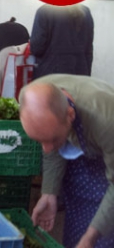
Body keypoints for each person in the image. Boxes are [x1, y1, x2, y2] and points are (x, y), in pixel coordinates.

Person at [19, 74, 114, 248]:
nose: (46, 149)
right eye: (41, 142)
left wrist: (90, 237)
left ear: (70, 115)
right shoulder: (33, 97)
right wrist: (49, 192)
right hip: (83, 142)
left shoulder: (106, 121)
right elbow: (50, 138)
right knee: (77, 227)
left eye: (53, 140)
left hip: (108, 150)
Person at [30, 4, 94, 79]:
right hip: (80, 73)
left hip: (50, 73)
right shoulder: (85, 11)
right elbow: (89, 49)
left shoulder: (44, 11)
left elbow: (37, 47)